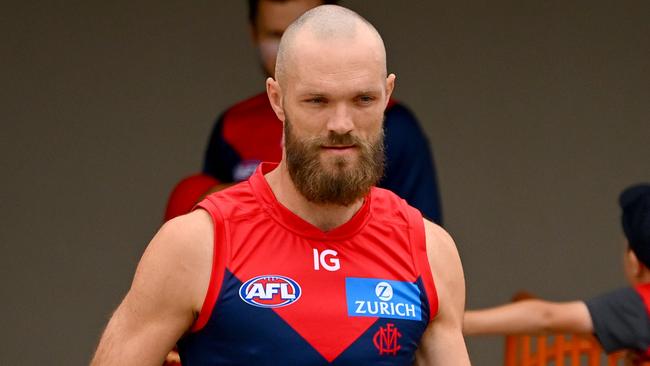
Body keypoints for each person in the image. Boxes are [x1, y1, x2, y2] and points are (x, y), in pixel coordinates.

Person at [92, 5, 469, 365]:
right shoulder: (197, 245)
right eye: (317, 101)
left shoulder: (429, 250)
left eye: (363, 99)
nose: (341, 123)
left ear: (387, 95)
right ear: (277, 99)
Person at [164, 0, 443, 224]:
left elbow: (420, 240)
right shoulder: (233, 126)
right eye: (276, 35)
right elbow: (206, 222)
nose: (340, 125)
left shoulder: (393, 123)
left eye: (364, 100)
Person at [464, 184, 650, 359]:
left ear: (634, 261)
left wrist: (461, 323)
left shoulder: (637, 306)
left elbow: (546, 317)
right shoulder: (631, 317)